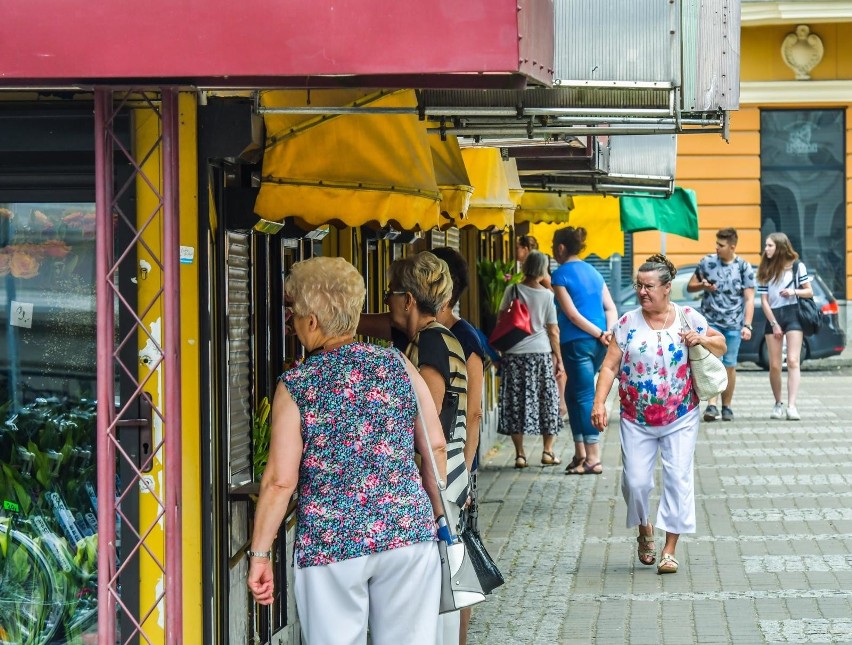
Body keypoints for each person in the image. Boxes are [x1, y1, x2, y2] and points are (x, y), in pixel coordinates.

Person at [247, 256, 449, 644]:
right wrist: (439, 519)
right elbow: (435, 445)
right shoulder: (397, 364)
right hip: (407, 532)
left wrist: (259, 554)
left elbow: (279, 482)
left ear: (312, 322)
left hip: (330, 545)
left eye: (294, 315)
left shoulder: (297, 384)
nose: (291, 323)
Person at [358, 251, 469, 644]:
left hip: (437, 480)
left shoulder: (432, 344)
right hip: (446, 477)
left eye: (390, 294)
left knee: (434, 603)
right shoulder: (429, 337)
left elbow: (425, 422)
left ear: (408, 300)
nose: (386, 302)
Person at [591, 255, 726, 574]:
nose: (642, 291)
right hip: (635, 418)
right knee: (636, 483)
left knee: (678, 478)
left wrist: (701, 338)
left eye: (648, 286)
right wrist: (600, 402)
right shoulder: (626, 323)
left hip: (681, 414)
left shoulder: (688, 317)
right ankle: (644, 530)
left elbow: (719, 345)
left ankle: (669, 549)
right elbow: (610, 366)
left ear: (667, 288)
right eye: (638, 285)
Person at [429, 246, 486, 645]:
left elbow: (476, 413)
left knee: (457, 558)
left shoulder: (464, 338)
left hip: (454, 467)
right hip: (445, 466)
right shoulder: (427, 333)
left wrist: (462, 475)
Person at [550, 226, 618, 475]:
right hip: (598, 344)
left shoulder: (560, 276)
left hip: (577, 344)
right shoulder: (595, 273)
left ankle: (593, 458)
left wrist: (599, 333)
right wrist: (607, 332)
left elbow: (571, 314)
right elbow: (611, 308)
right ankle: (580, 453)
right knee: (572, 394)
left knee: (585, 396)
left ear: (560, 248)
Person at [496, 250, 564, 467]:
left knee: (516, 403)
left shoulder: (512, 289)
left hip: (514, 354)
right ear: (543, 269)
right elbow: (553, 330)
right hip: (540, 354)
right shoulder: (547, 295)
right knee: (548, 401)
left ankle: (520, 455)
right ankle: (547, 451)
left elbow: (501, 319)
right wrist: (559, 358)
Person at [687, 227, 756, 422]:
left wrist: (747, 325)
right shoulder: (707, 263)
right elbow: (690, 286)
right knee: (710, 362)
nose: (717, 248)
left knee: (729, 365)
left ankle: (727, 406)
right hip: (710, 322)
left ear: (732, 246)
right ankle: (711, 406)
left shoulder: (743, 267)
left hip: (733, 324)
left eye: (721, 245)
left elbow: (749, 299)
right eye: (716, 244)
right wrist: (703, 286)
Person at [756, 232, 813, 421]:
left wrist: (793, 291)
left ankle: (792, 406)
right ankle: (778, 403)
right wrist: (774, 324)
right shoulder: (766, 268)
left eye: (770, 245)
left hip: (793, 313)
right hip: (773, 315)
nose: (766, 249)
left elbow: (808, 291)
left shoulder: (797, 267)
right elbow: (764, 300)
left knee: (793, 360)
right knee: (774, 365)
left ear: (780, 247)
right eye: (766, 245)